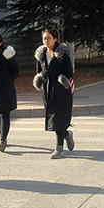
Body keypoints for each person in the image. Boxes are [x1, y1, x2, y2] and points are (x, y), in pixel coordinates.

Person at [33, 27, 74, 159]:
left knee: (59, 119)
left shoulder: (62, 54)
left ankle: (59, 148)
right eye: (44, 38)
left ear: (55, 39)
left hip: (61, 91)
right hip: (47, 91)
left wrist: (62, 80)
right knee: (54, 119)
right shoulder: (41, 55)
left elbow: (69, 71)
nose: (46, 41)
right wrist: (40, 81)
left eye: (49, 38)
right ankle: (67, 135)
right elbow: (39, 71)